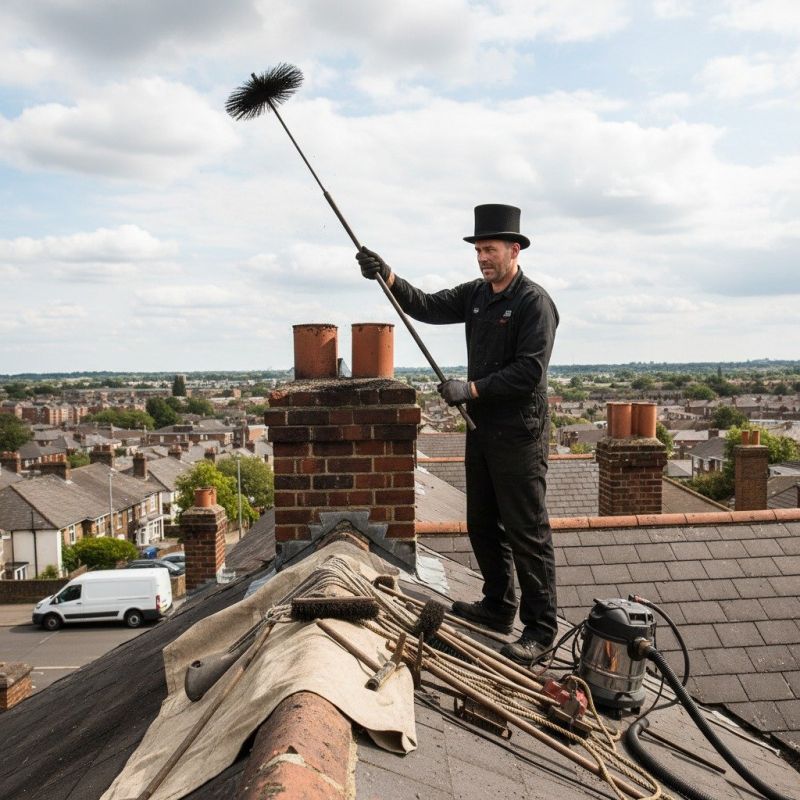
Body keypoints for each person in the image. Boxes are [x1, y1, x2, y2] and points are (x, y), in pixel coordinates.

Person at [356, 204, 559, 665]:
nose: (483, 258)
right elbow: (426, 306)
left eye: (491, 250)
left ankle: (541, 629)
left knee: (526, 529)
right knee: (482, 521)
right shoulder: (476, 295)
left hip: (520, 433)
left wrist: (470, 389)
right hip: (482, 428)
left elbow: (529, 371)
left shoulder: (534, 303)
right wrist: (387, 275)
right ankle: (498, 605)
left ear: (515, 250)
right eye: (478, 250)